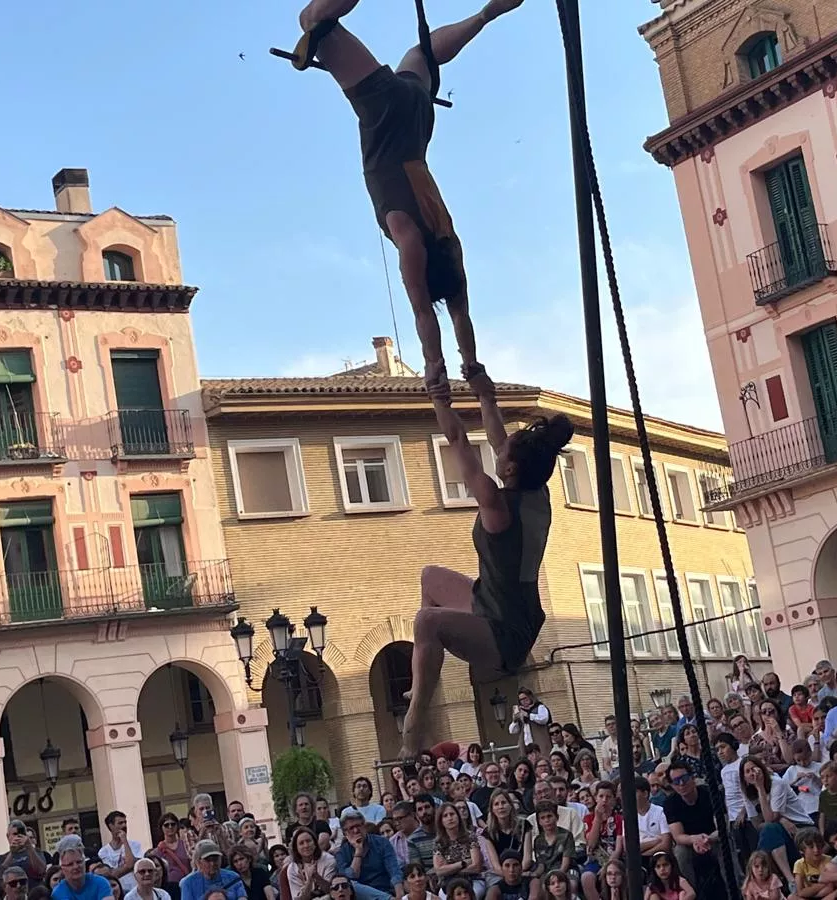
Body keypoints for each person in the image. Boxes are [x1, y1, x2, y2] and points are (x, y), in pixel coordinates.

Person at [290, 0, 528, 385]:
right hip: (384, 113)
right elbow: (422, 312)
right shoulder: (410, 239)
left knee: (422, 53)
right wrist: (433, 365)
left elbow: (460, 316)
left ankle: (488, 12)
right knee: (314, 20)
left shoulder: (448, 239)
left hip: (418, 118)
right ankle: (321, 30)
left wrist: (472, 363)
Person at [403, 369, 570, 751]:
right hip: (494, 603)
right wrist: (485, 396)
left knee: (426, 621)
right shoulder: (535, 489)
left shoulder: (496, 506)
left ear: (509, 468)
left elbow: (458, 439)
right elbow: (498, 437)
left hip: (505, 633)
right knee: (430, 577)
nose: (498, 449)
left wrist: (439, 399)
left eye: (503, 452)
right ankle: (424, 672)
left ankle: (415, 721)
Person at [740, 756, 813, 884]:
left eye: (754, 769)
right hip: (779, 830)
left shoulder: (776, 783)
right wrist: (781, 820)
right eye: (748, 771)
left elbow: (769, 819)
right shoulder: (747, 792)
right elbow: (757, 824)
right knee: (768, 832)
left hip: (800, 827)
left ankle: (777, 881)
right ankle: (785, 881)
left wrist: (760, 788)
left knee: (769, 830)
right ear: (744, 779)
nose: (752, 773)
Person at [660, 760, 722, 898]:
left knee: (725, 844)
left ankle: (736, 887)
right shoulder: (670, 803)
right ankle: (691, 894)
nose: (681, 784)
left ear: (692, 778)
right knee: (680, 852)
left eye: (684, 778)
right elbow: (678, 836)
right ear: (672, 786)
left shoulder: (710, 793)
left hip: (713, 839)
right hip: (690, 844)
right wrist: (695, 839)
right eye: (676, 781)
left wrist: (707, 839)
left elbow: (722, 827)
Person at [332, 809, 404, 900]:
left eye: (358, 826)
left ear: (364, 826)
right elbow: (350, 877)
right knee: (349, 883)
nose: (356, 830)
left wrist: (400, 894)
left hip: (384, 889)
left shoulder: (381, 842)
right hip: (359, 896)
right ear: (345, 833)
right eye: (351, 828)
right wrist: (358, 851)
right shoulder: (341, 852)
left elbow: (394, 870)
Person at [0, 819, 50, 890]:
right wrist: (12, 852)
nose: (18, 837)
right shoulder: (1, 858)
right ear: (8, 837)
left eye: (21, 834)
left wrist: (28, 845)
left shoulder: (37, 852)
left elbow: (41, 871)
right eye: (14, 834)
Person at [177, 842, 244, 900]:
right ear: (199, 862)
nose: (212, 864)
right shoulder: (188, 883)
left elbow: (242, 897)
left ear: (221, 860)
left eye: (215, 859)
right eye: (208, 860)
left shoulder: (233, 877)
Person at [286, 826, 337, 900]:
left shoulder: (329, 860)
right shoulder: (292, 868)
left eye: (308, 841)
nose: (306, 845)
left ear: (315, 843)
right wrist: (309, 880)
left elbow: (333, 891)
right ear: (296, 848)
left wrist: (316, 876)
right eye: (301, 843)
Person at [98, 811, 143, 894]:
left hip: (135, 890)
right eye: (120, 823)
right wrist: (127, 867)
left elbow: (131, 864)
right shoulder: (103, 852)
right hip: (117, 892)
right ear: (111, 826)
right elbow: (111, 874)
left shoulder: (135, 845)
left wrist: (124, 841)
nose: (124, 826)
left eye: (125, 822)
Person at [790, 829, 830, 900]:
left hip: (827, 895)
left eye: (818, 846)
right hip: (810, 896)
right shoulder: (799, 864)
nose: (816, 850)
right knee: (791, 897)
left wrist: (812, 890)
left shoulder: (828, 860)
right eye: (811, 847)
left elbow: (831, 887)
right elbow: (801, 892)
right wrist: (823, 885)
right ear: (802, 850)